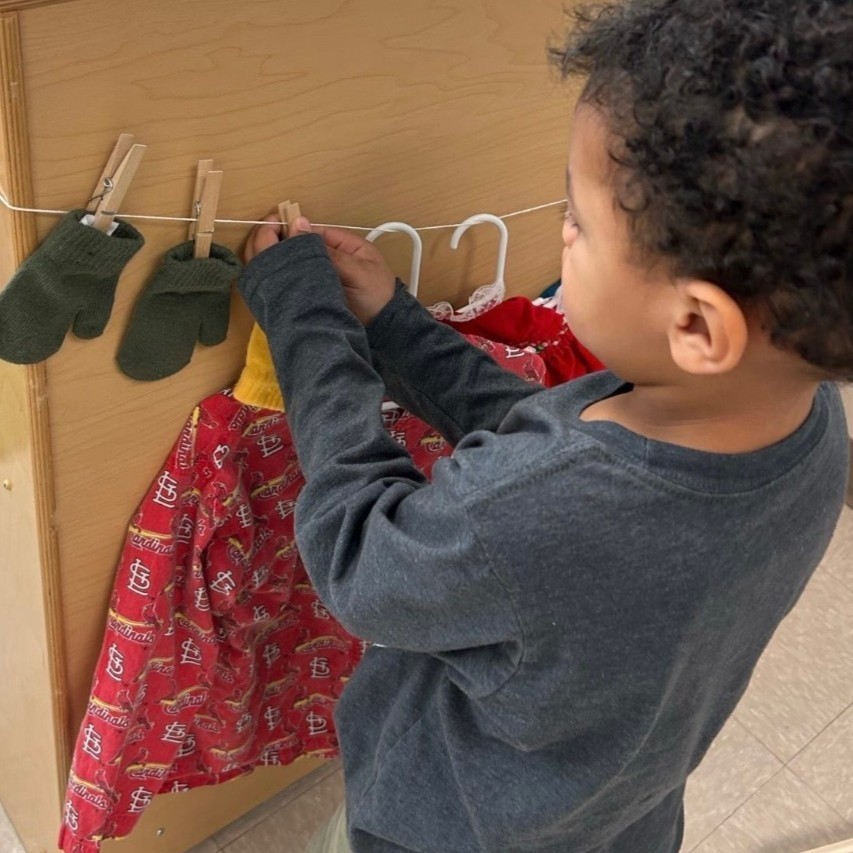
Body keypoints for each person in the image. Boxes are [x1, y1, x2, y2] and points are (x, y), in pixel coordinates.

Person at [236, 0, 852, 849]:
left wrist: (307, 321)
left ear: (698, 328)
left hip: (444, 829)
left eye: (579, 222)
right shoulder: (807, 428)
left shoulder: (533, 513)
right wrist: (394, 328)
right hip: (621, 817)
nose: (559, 230)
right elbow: (555, 442)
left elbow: (359, 555)